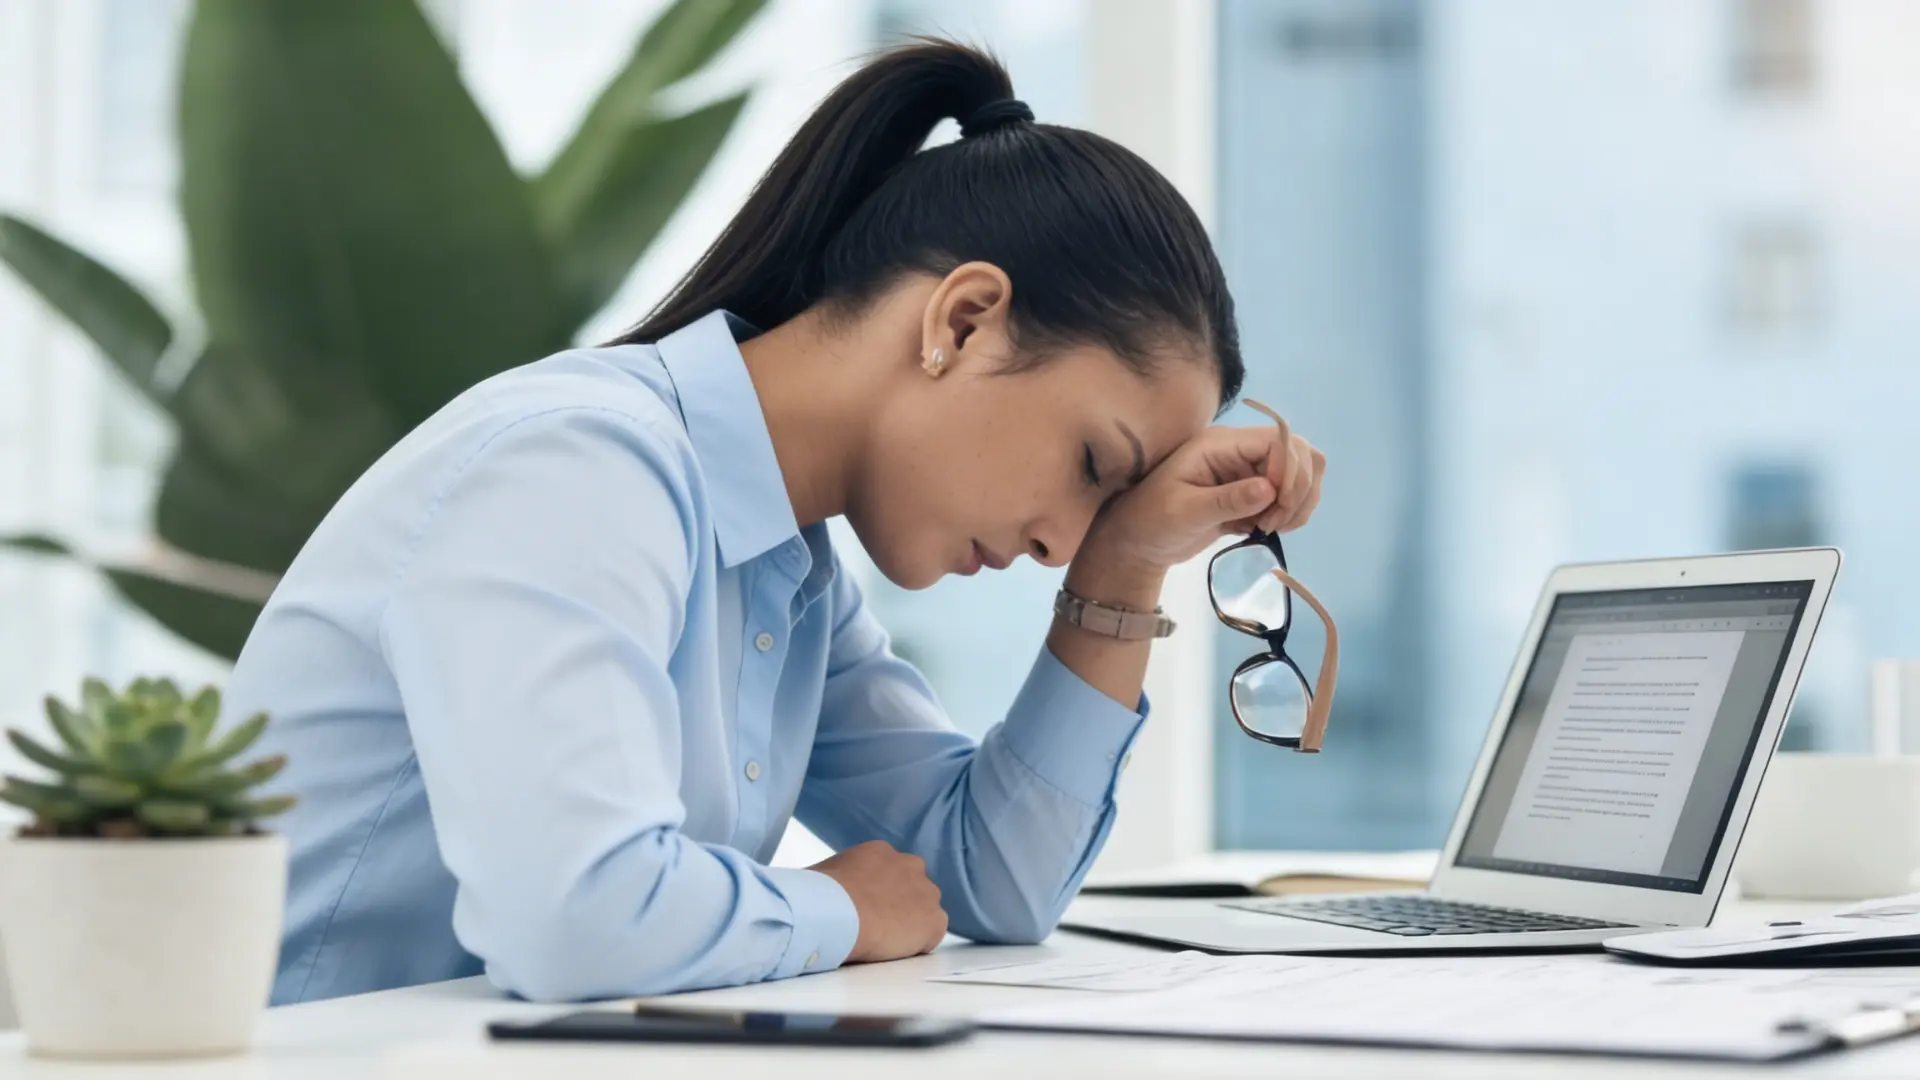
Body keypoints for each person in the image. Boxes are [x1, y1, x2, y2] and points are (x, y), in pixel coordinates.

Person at [227, 39, 1325, 1005]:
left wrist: (1127, 567)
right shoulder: (574, 468)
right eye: (1095, 467)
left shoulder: (784, 562)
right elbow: (570, 913)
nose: (1062, 544)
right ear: (967, 318)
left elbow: (988, 879)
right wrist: (836, 909)